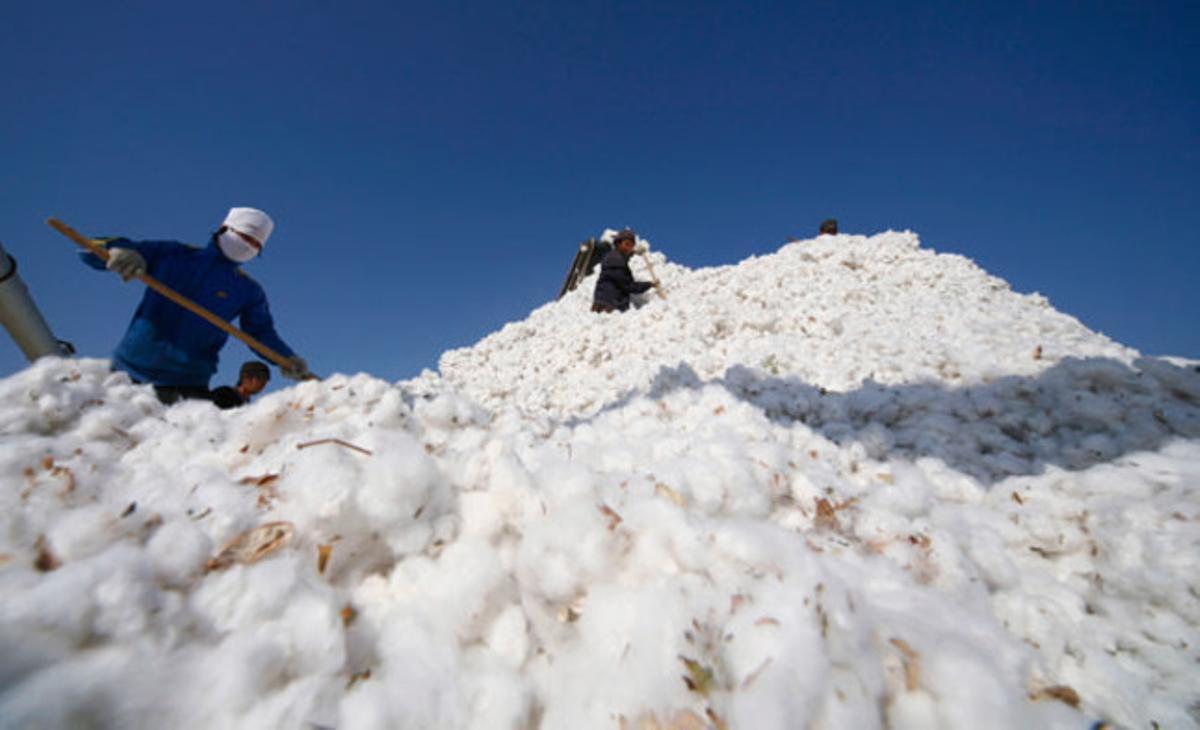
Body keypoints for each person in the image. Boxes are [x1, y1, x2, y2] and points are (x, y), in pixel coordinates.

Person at [81, 207, 308, 404]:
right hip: (129, 372)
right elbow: (92, 248)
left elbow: (260, 332)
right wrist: (118, 251)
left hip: (188, 385)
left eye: (256, 245)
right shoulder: (174, 255)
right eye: (246, 237)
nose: (249, 246)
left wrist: (286, 358)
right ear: (225, 229)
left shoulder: (248, 290)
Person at [592, 228, 656, 313]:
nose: (629, 248)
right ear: (618, 244)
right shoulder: (615, 261)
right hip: (609, 305)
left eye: (631, 246)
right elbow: (629, 286)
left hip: (607, 303)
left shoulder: (615, 258)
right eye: (627, 244)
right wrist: (650, 284)